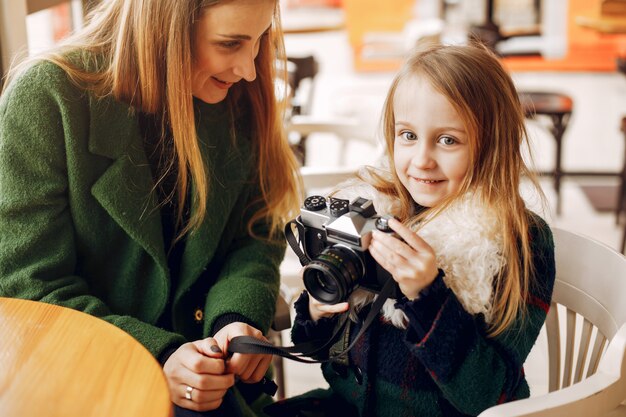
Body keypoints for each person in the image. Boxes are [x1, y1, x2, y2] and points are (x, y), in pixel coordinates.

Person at [0, 0, 301, 415]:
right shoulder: (48, 98)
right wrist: (157, 354)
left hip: (216, 394)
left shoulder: (235, 93)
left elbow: (255, 229)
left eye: (258, 40)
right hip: (89, 388)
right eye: (230, 43)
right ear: (164, 24)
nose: (249, 68)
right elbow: (29, 287)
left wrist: (234, 317)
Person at [282, 42, 556, 417]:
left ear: (492, 145)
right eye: (408, 135)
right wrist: (317, 310)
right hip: (345, 407)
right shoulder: (378, 212)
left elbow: (493, 397)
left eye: (448, 140)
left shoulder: (517, 241)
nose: (422, 160)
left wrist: (427, 295)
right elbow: (313, 351)